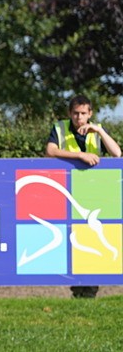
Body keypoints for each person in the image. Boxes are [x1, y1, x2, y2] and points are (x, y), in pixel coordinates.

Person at [44, 95, 121, 298]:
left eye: (83, 114)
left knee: (92, 239)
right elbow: (50, 150)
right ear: (70, 113)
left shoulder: (96, 131)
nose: (79, 118)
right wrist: (80, 155)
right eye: (76, 113)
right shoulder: (60, 128)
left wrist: (101, 130)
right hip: (67, 194)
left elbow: (117, 153)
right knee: (71, 239)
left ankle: (90, 290)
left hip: (93, 195)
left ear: (90, 114)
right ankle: (77, 289)